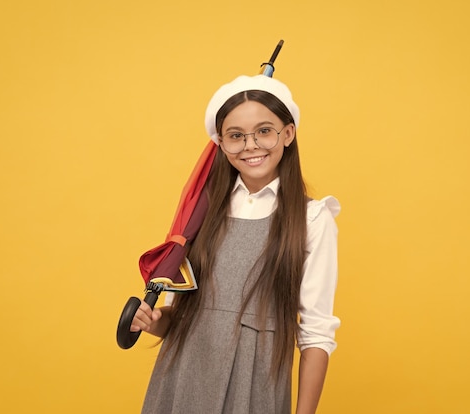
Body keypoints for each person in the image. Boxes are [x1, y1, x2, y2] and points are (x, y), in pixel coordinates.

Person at [131, 74, 340, 414]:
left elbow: (316, 335)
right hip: (182, 378)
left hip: (255, 385)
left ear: (287, 134)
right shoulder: (201, 212)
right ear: (221, 143)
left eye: (264, 131)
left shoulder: (312, 220)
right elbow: (177, 314)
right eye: (236, 136)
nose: (251, 145)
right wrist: (153, 320)